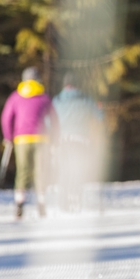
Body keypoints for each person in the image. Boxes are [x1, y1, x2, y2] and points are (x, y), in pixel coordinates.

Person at [0, 67, 58, 219]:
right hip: (42, 138)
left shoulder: (16, 97)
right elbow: (54, 119)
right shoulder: (44, 97)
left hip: (22, 139)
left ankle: (19, 205)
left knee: (23, 172)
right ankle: (41, 204)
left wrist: (8, 136)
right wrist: (54, 139)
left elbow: (6, 118)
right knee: (41, 171)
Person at [51, 72, 105, 212]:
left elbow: (47, 121)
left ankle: (63, 202)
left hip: (63, 141)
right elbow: (100, 117)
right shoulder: (86, 99)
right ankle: (75, 199)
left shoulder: (56, 100)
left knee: (64, 170)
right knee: (78, 169)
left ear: (64, 85)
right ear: (77, 85)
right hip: (81, 140)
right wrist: (100, 108)